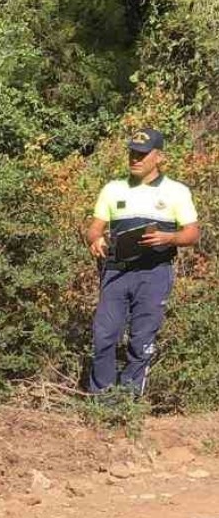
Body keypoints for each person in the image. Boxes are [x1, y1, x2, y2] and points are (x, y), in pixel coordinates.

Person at [84, 128, 201, 395]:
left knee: (141, 340)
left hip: (155, 274)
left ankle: (128, 401)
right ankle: (101, 399)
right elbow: (94, 228)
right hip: (117, 271)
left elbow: (192, 233)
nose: (135, 159)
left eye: (142, 154)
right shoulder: (113, 189)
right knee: (104, 336)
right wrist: (95, 239)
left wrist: (168, 238)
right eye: (132, 153)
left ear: (159, 157)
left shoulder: (177, 192)